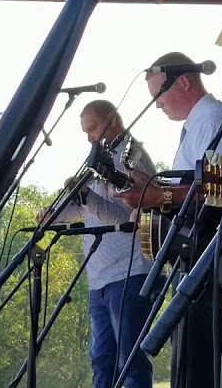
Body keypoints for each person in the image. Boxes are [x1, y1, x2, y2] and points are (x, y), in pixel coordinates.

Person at [122, 54, 222, 388]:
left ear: (184, 82)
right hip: (195, 260)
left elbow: (218, 191)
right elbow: (190, 189)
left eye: (157, 96)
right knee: (190, 360)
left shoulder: (212, 118)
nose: (157, 105)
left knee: (202, 363)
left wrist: (156, 198)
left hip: (212, 260)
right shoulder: (198, 123)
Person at [43, 100, 156, 388]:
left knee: (130, 361)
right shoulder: (99, 161)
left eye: (93, 128)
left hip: (129, 273)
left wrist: (86, 196)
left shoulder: (132, 158)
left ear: (112, 119)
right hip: (101, 278)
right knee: (102, 359)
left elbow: (126, 217)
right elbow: (85, 208)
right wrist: (52, 216)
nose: (90, 137)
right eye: (86, 131)